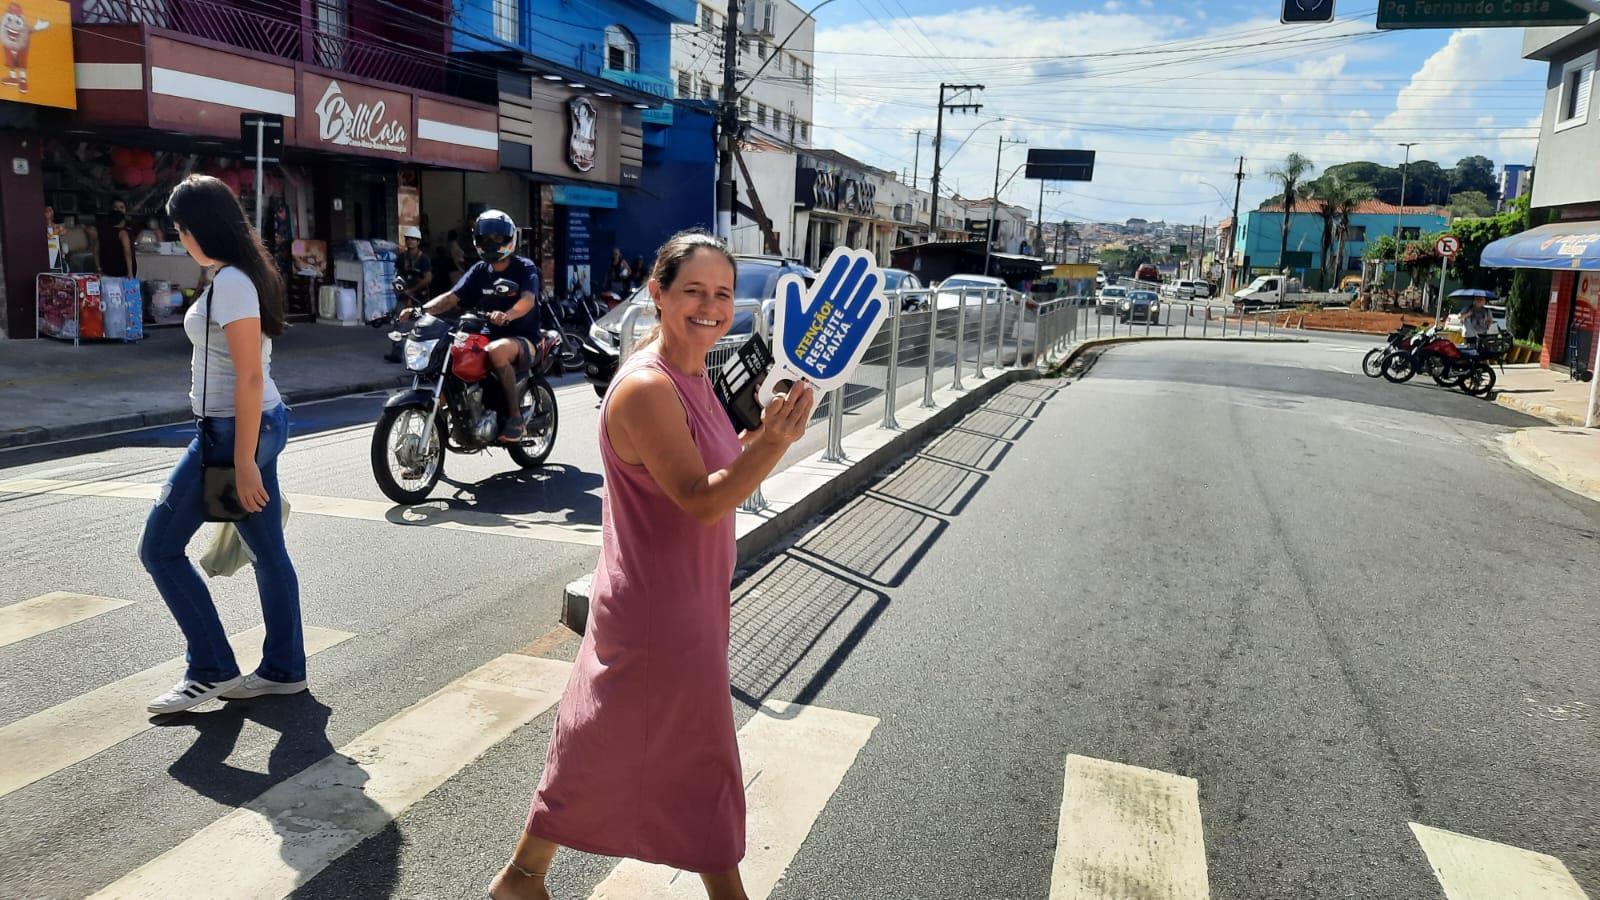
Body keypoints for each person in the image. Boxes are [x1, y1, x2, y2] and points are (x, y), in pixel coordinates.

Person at [489, 231, 816, 900]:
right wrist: (773, 446)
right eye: (692, 290)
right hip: (659, 607)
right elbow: (701, 499)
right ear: (658, 294)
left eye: (722, 293)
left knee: (600, 736)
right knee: (700, 757)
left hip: (678, 593)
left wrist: (762, 431)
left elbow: (712, 461)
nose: (710, 306)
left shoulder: (694, 373)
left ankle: (524, 874)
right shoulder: (646, 386)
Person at [140, 175, 304, 714]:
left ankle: (210, 666)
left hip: (233, 431)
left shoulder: (232, 282)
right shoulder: (235, 276)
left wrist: (242, 463)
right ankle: (284, 668)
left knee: (159, 549)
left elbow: (250, 376)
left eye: (180, 228)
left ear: (197, 228)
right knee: (266, 552)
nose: (180, 238)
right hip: (242, 427)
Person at [399, 210, 549, 441]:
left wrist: (507, 315)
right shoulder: (480, 270)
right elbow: (451, 297)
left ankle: (516, 418)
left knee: (495, 351)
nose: (490, 243)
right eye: (485, 238)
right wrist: (420, 311)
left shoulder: (524, 267)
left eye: (497, 238)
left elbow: (528, 301)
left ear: (509, 239)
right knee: (456, 352)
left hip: (524, 336)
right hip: (486, 333)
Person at [395, 225, 433, 309]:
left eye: (412, 239)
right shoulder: (401, 257)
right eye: (408, 239)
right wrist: (401, 289)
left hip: (420, 296)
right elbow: (398, 275)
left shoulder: (423, 258)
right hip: (404, 296)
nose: (409, 241)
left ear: (418, 242)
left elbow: (428, 278)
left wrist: (412, 290)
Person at [96, 199, 135, 279]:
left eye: (121, 207)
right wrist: (130, 272)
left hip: (107, 272)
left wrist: (98, 268)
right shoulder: (122, 232)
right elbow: (127, 252)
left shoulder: (104, 230)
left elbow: (96, 250)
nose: (118, 210)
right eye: (116, 207)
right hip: (121, 273)